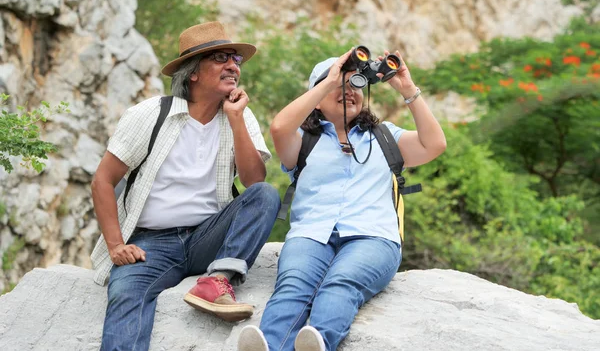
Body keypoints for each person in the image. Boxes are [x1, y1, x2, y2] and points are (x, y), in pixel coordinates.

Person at [237, 49, 446, 351]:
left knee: (341, 282)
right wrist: (328, 79)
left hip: (373, 238)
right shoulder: (302, 141)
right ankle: (269, 345)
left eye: (356, 84)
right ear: (317, 98)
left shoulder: (385, 136)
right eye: (338, 86)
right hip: (311, 235)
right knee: (294, 285)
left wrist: (408, 90)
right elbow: (279, 126)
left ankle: (317, 341)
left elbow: (434, 144)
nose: (349, 91)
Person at [90, 21, 280, 351]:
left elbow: (254, 181)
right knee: (125, 295)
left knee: (266, 195)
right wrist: (116, 244)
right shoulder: (151, 114)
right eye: (221, 58)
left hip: (207, 237)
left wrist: (236, 119)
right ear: (192, 72)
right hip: (151, 244)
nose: (233, 66)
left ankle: (218, 280)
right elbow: (103, 180)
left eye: (235, 58)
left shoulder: (240, 115)